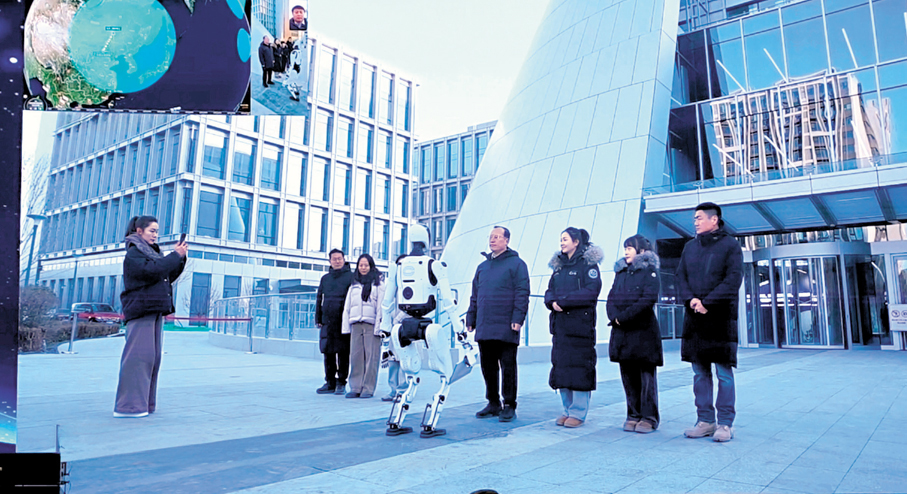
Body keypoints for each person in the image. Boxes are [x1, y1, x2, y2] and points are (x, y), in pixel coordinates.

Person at [677, 202, 744, 442]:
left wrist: (708, 303)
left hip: (720, 319)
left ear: (714, 219)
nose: (695, 221)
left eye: (699, 217)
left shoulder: (730, 245)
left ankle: (725, 424)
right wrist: (692, 300)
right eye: (694, 218)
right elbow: (681, 277)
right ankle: (705, 420)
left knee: (724, 373)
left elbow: (733, 279)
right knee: (699, 373)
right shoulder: (690, 247)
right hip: (695, 319)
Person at [114, 216, 187, 417]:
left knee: (150, 359)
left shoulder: (151, 253)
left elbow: (165, 275)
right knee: (137, 359)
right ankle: (128, 407)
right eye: (152, 231)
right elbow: (153, 271)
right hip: (141, 310)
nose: (155, 235)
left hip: (153, 310)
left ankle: (144, 404)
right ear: (139, 231)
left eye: (157, 231)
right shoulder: (134, 253)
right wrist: (174, 255)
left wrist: (180, 258)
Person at [466, 226, 530, 423]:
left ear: (506, 240)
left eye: (497, 237)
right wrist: (471, 317)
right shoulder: (482, 267)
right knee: (488, 366)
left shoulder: (517, 264)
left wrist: (518, 318)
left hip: (506, 324)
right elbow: (475, 295)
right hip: (485, 324)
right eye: (491, 237)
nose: (492, 240)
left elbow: (522, 292)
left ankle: (509, 404)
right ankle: (493, 402)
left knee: (508, 366)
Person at [544, 227, 603, 428]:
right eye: (561, 239)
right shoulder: (559, 266)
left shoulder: (588, 264)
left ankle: (578, 412)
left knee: (579, 367)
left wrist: (564, 301)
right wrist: (551, 302)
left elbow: (591, 290)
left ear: (576, 242)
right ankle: (567, 409)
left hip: (580, 326)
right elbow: (549, 290)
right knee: (562, 367)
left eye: (565, 239)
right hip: (560, 326)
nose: (562, 242)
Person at [606, 234, 663, 434]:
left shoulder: (650, 272)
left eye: (629, 248)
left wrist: (623, 317)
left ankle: (649, 417)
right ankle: (633, 414)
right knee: (628, 376)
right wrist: (614, 317)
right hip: (623, 333)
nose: (626, 252)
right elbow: (611, 297)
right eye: (625, 248)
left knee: (646, 377)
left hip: (643, 332)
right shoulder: (621, 272)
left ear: (641, 251)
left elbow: (647, 299)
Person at [341, 254, 385, 399]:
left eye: (366, 265)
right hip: (356, 324)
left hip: (371, 324)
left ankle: (368, 388)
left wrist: (379, 327)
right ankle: (355, 387)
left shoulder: (378, 284)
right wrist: (346, 327)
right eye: (361, 265)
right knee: (356, 357)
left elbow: (381, 307)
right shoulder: (353, 285)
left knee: (372, 358)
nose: (363, 268)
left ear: (371, 266)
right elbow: (347, 306)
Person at [315, 249, 353, 395]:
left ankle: (341, 382)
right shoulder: (325, 279)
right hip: (327, 321)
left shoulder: (351, 277)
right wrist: (318, 318)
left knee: (343, 353)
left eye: (339, 258)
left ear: (344, 259)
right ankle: (329, 382)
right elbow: (319, 299)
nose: (337, 261)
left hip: (343, 321)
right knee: (328, 352)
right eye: (334, 259)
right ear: (330, 261)